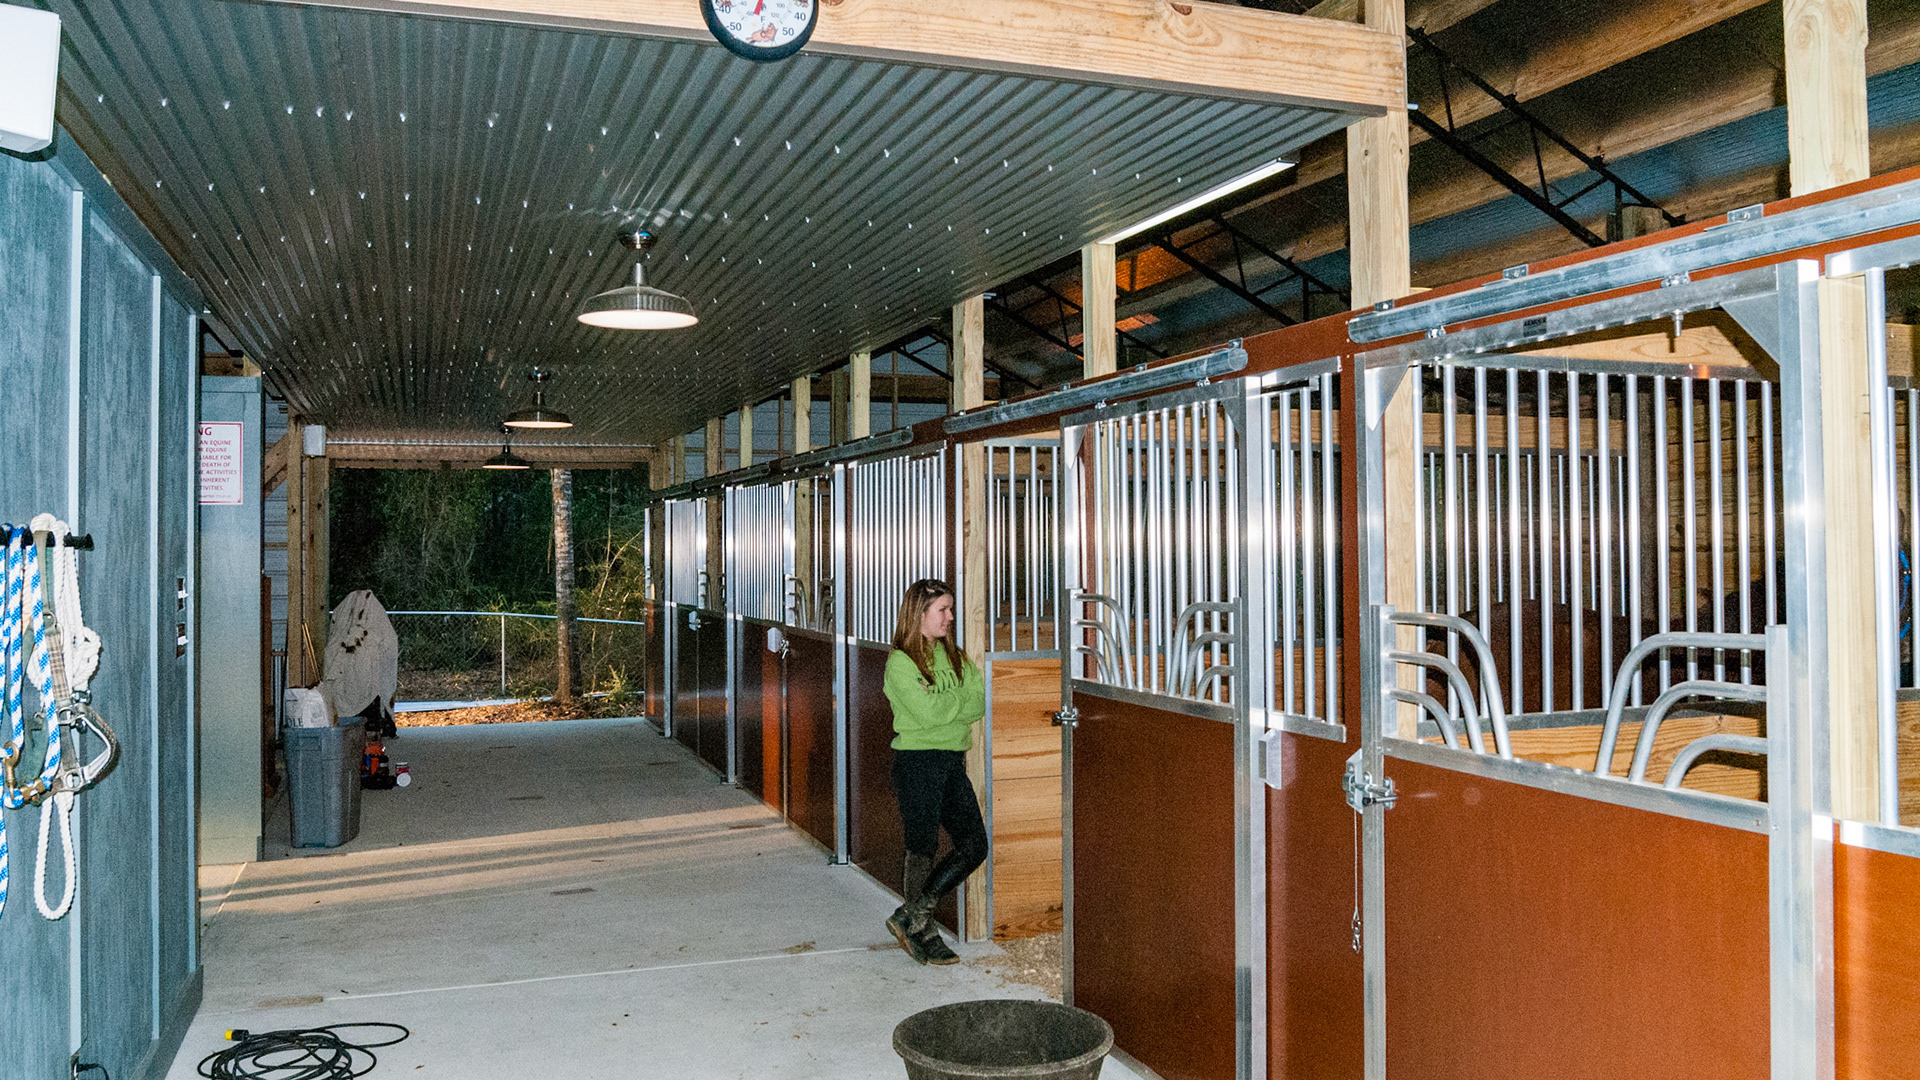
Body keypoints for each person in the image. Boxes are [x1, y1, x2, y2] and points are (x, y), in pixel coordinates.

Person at [882, 578, 987, 965]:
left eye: (951, 609)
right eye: (942, 609)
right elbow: (929, 715)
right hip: (917, 762)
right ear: (919, 614)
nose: (950, 617)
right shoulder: (900, 663)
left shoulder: (955, 656)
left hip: (951, 760)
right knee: (921, 847)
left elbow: (978, 704)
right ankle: (922, 930)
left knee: (975, 845)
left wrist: (945, 702)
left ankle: (912, 914)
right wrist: (953, 702)